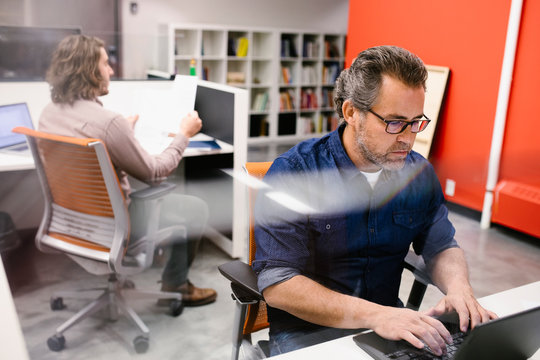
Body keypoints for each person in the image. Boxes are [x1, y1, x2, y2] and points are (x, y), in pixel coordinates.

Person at [252, 45, 497, 356]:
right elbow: (280, 285)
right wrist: (377, 315)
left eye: (416, 122)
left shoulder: (417, 174)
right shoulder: (294, 175)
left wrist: (460, 289)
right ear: (352, 113)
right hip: (309, 333)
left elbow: (441, 245)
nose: (407, 138)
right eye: (394, 122)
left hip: (389, 326)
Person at [39, 34, 217, 307]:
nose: (111, 70)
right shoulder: (108, 123)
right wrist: (184, 134)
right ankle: (176, 285)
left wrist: (123, 133)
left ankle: (175, 281)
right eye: (105, 64)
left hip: (72, 221)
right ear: (88, 70)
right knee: (195, 208)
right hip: (114, 227)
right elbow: (155, 173)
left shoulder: (49, 112)